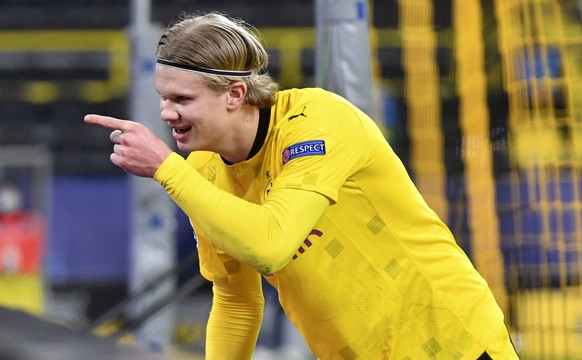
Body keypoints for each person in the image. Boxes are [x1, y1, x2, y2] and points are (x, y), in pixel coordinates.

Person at [85, 11, 519, 359]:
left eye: (182, 99)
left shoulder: (316, 122)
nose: (166, 113)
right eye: (163, 97)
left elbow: (270, 246)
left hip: (449, 344)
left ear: (235, 94)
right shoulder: (202, 170)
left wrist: (165, 167)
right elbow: (236, 300)